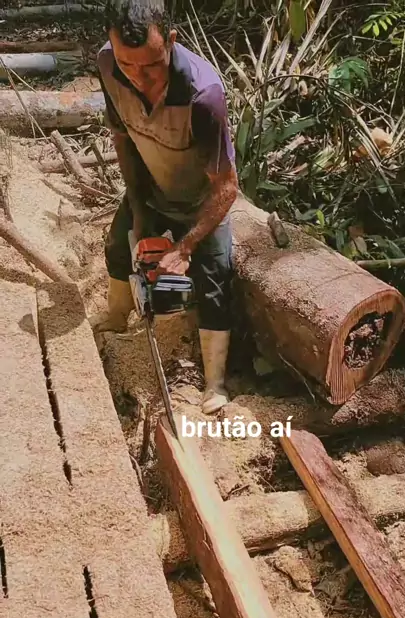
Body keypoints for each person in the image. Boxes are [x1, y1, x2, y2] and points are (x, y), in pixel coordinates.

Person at [90, 0, 238, 415]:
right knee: (119, 246)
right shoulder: (107, 65)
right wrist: (137, 207)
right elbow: (122, 138)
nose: (139, 77)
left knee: (215, 279)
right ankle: (116, 316)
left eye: (152, 66)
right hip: (151, 186)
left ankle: (215, 383)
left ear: (171, 41)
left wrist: (185, 247)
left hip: (202, 199)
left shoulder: (203, 95)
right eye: (128, 64)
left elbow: (227, 187)